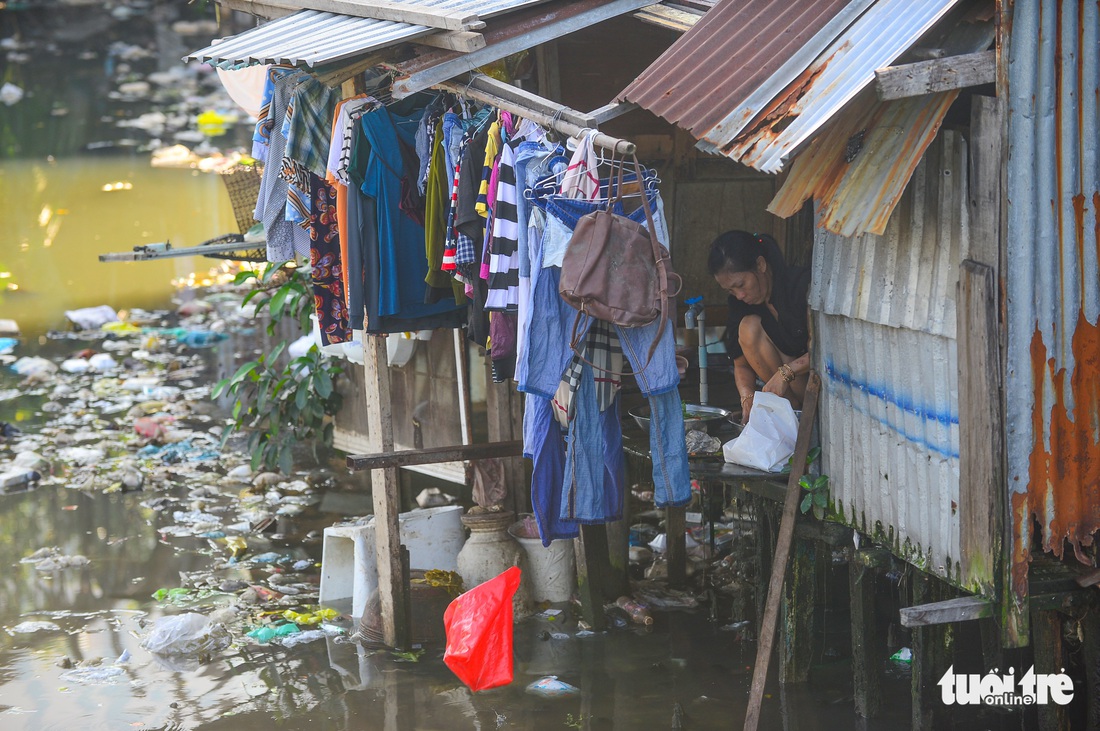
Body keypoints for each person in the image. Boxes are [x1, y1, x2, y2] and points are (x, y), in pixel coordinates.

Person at [707, 230, 810, 423]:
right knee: (748, 327)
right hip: (788, 399)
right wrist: (747, 397)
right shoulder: (740, 306)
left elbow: (826, 352)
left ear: (760, 265)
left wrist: (786, 372)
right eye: (730, 290)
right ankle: (790, 414)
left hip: (819, 390)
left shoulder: (800, 286)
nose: (739, 295)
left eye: (741, 284)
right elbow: (740, 364)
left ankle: (801, 415)